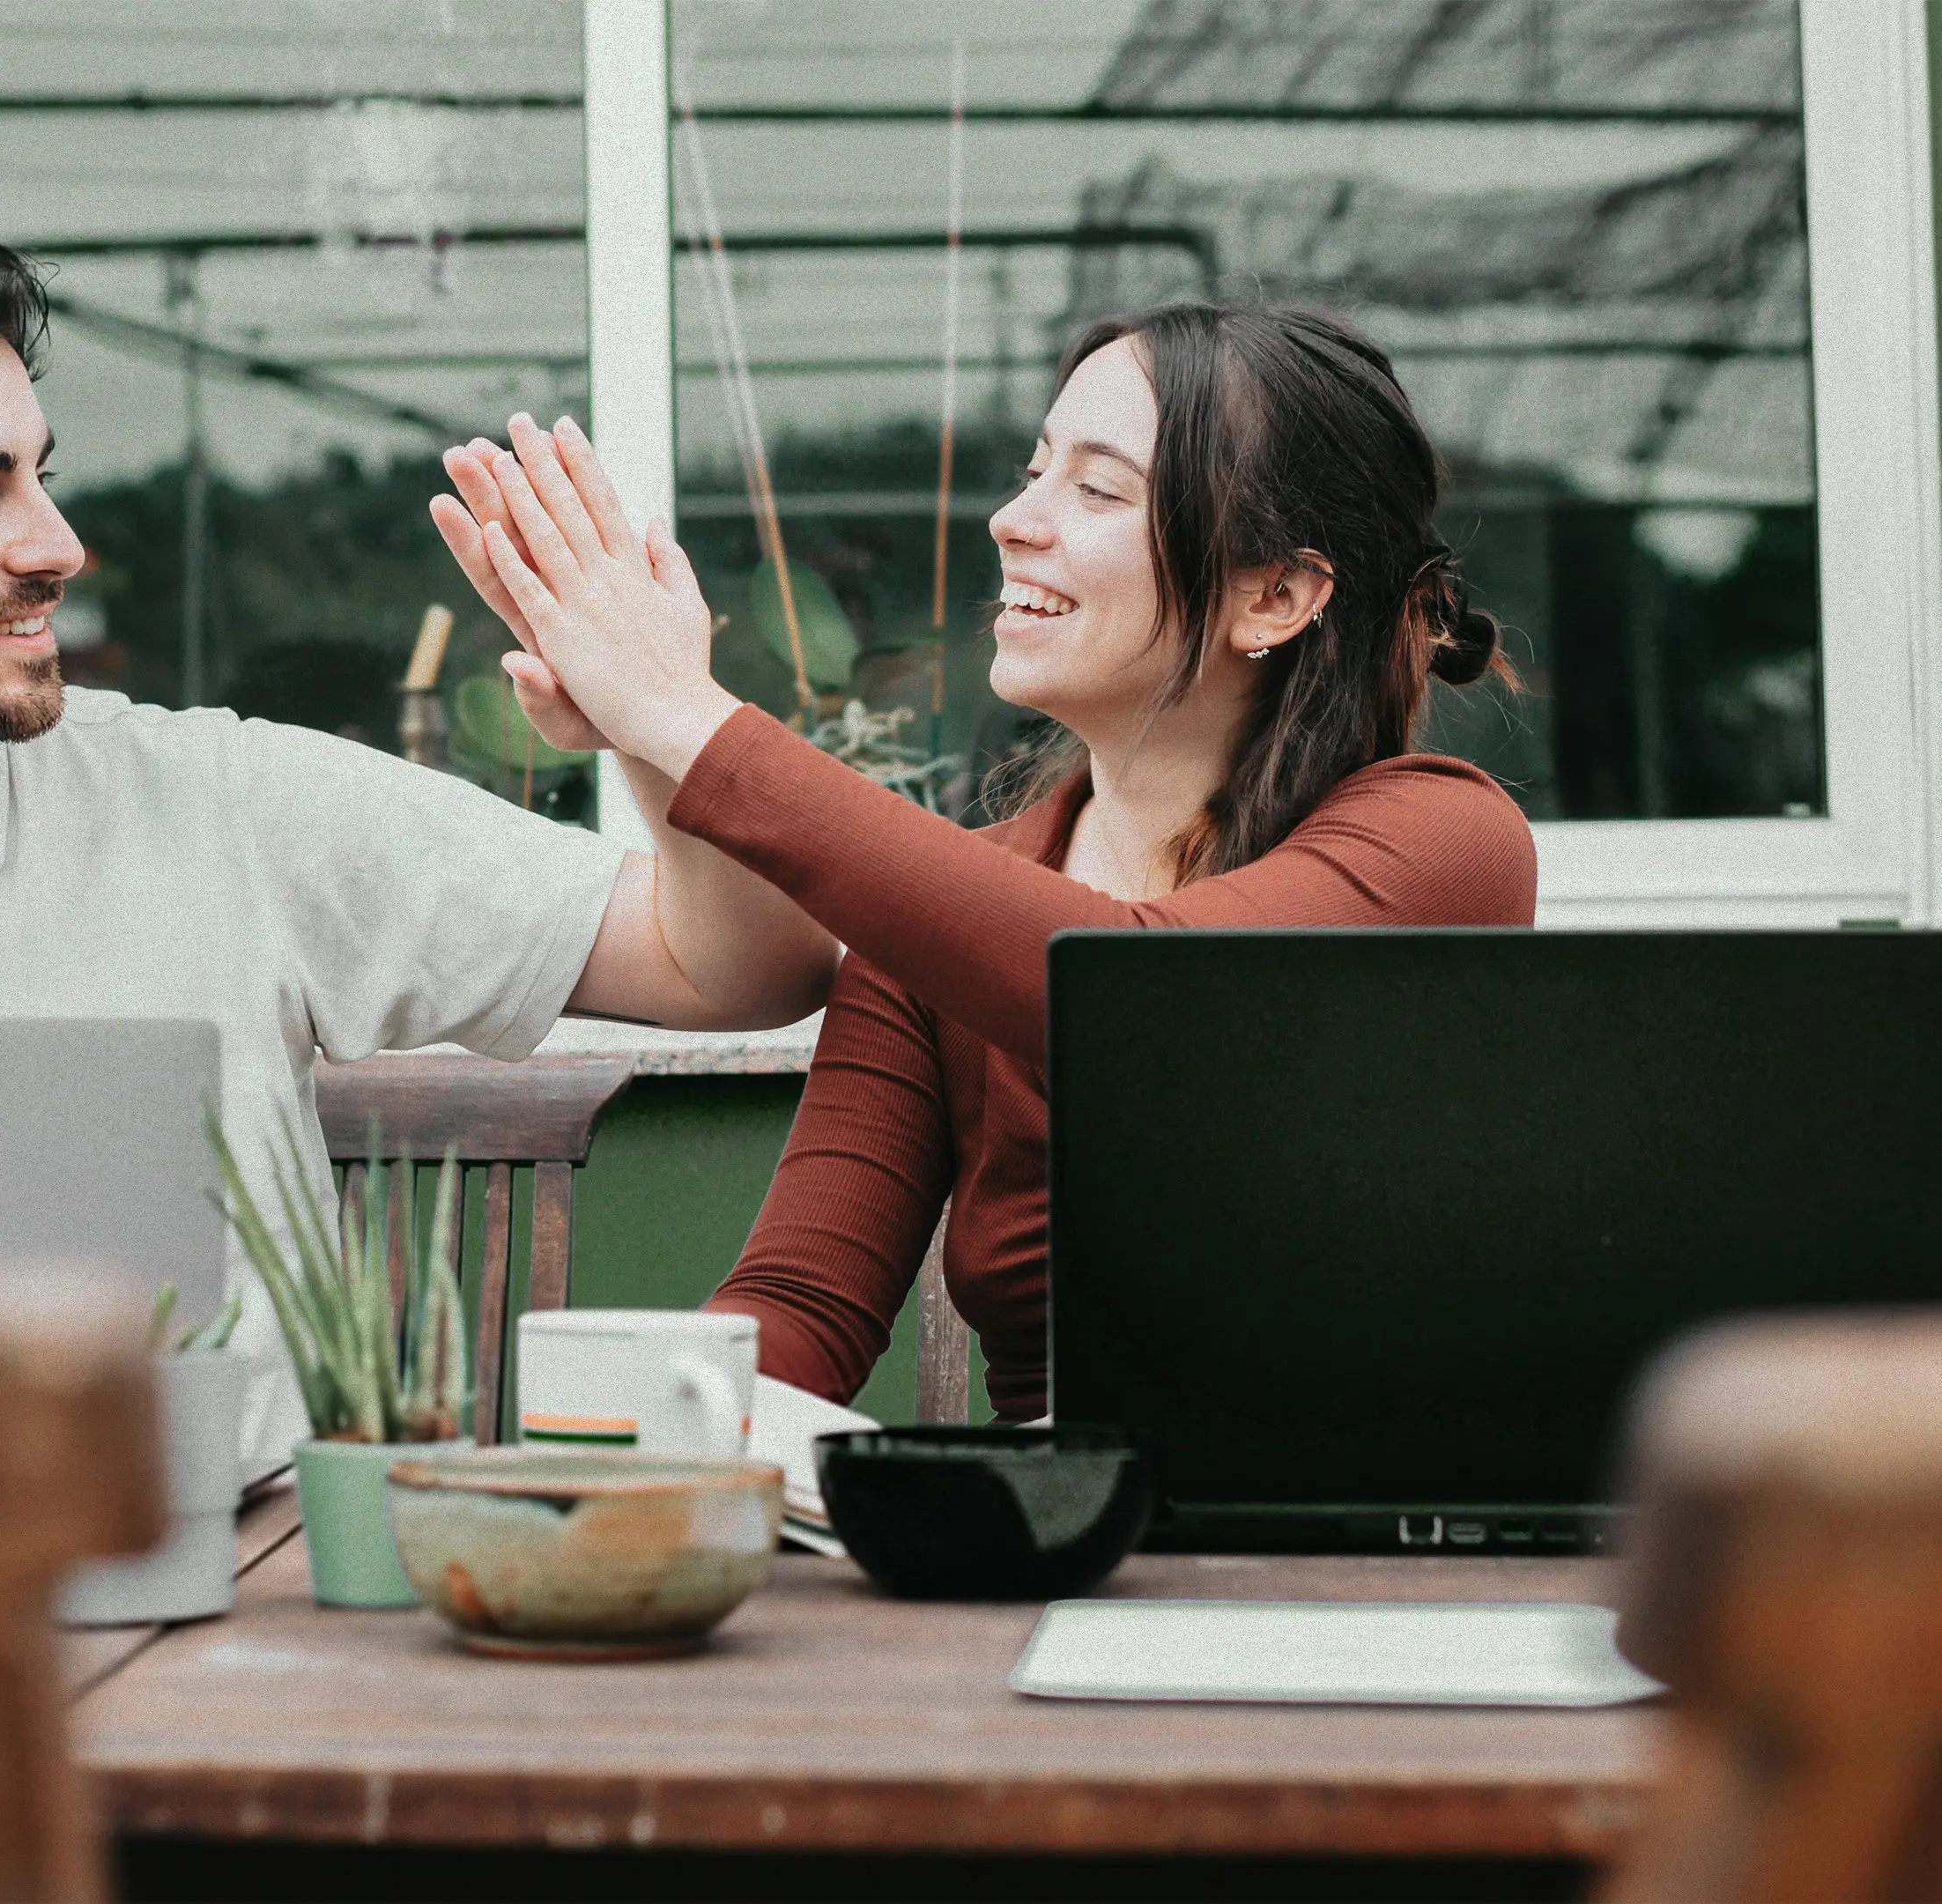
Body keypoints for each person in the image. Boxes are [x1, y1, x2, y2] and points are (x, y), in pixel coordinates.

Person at [0, 239, 835, 1256]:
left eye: (40, 472)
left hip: (234, 1604)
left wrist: (667, 728)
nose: (56, 543)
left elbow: (746, 967)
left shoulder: (231, 804)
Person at [430, 300, 1537, 1420]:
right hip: (1060, 1546)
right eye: (1034, 470)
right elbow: (801, 1306)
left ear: (1277, 595)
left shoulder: (1441, 843)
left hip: (1363, 1564)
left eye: (1098, 489)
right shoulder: (938, 920)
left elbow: (1147, 996)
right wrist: (621, 1447)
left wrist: (683, 715)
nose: (1013, 519)